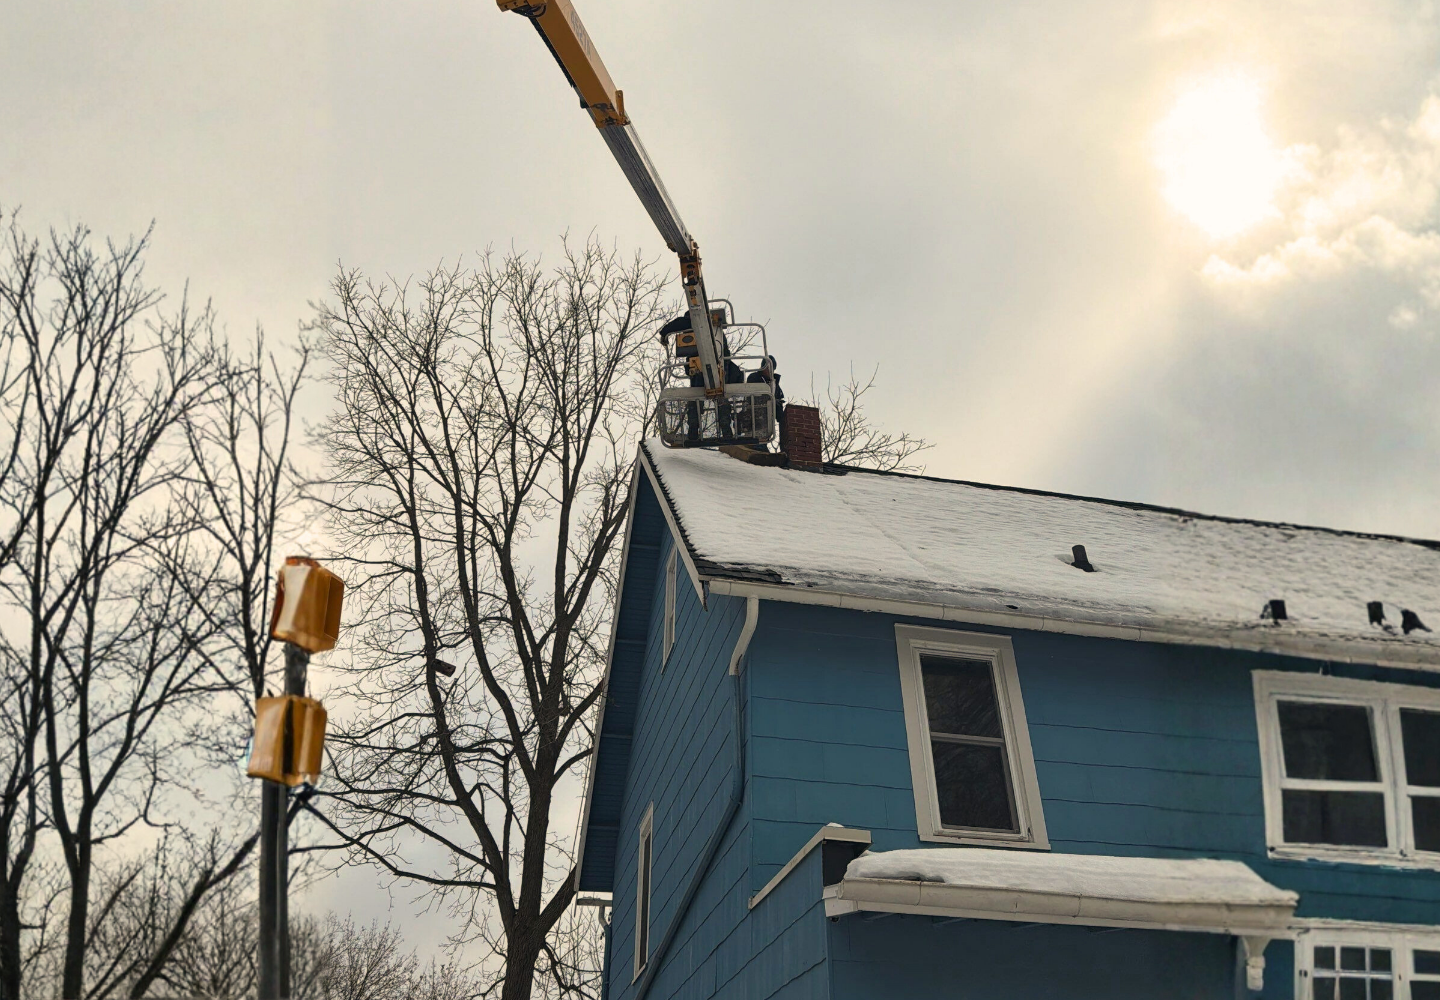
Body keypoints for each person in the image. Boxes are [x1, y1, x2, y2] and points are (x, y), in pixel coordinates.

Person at [746, 354, 785, 444]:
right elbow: (753, 394)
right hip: (755, 413)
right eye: (767, 367)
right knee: (756, 439)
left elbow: (778, 403)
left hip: (767, 419)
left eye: (772, 368)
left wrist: (781, 419)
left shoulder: (775, 385)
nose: (769, 370)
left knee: (762, 440)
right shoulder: (754, 377)